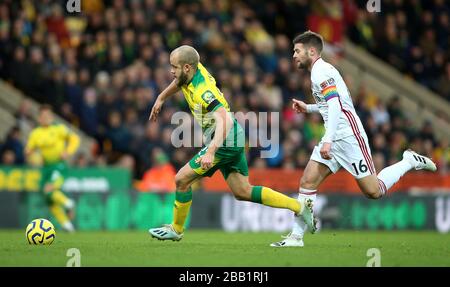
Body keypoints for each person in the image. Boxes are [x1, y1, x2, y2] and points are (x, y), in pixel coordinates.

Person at [270, 31, 437, 247]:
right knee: (307, 181)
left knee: (373, 191)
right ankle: (296, 237)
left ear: (311, 51)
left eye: (297, 51)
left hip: (349, 137)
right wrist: (309, 107)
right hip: (334, 134)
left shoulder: (321, 72)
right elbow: (334, 103)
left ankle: (409, 161)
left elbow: (336, 106)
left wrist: (328, 139)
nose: (294, 55)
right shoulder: (320, 72)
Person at [148, 45, 313, 241]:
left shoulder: (204, 91)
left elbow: (224, 119)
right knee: (243, 191)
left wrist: (211, 151)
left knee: (181, 180)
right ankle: (300, 207)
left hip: (225, 139)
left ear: (186, 68)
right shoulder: (192, 71)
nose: (171, 71)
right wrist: (161, 98)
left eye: (174, 67)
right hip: (234, 136)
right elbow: (179, 82)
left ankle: (176, 229)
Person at [25, 105, 80, 232]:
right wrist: (29, 154)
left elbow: (75, 139)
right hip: (46, 168)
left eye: (48, 116)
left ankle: (69, 204)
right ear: (39, 118)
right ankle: (67, 226)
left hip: (59, 166)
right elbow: (29, 149)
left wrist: (68, 151)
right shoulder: (35, 133)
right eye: (43, 116)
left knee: (49, 189)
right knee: (48, 198)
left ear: (52, 117)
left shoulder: (59, 129)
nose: (46, 118)